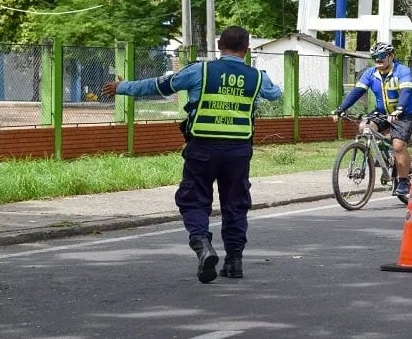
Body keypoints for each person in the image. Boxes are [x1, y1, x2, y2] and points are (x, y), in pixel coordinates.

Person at [101, 26, 282, 283]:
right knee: (235, 204)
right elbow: (276, 94)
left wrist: (123, 86)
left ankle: (202, 244)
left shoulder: (201, 70)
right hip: (239, 152)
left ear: (219, 45)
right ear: (247, 49)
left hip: (203, 148)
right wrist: (260, 76)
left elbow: (159, 85)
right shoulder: (256, 77)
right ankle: (234, 261)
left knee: (194, 199)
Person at [331, 42, 412, 196]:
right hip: (383, 112)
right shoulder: (371, 73)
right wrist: (341, 108)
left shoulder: (402, 71)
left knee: (399, 146)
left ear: (391, 56)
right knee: (364, 126)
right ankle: (385, 157)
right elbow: (357, 92)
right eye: (374, 57)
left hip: (407, 112)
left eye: (381, 56)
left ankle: (403, 181)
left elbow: (406, 91)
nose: (377, 60)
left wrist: (400, 108)